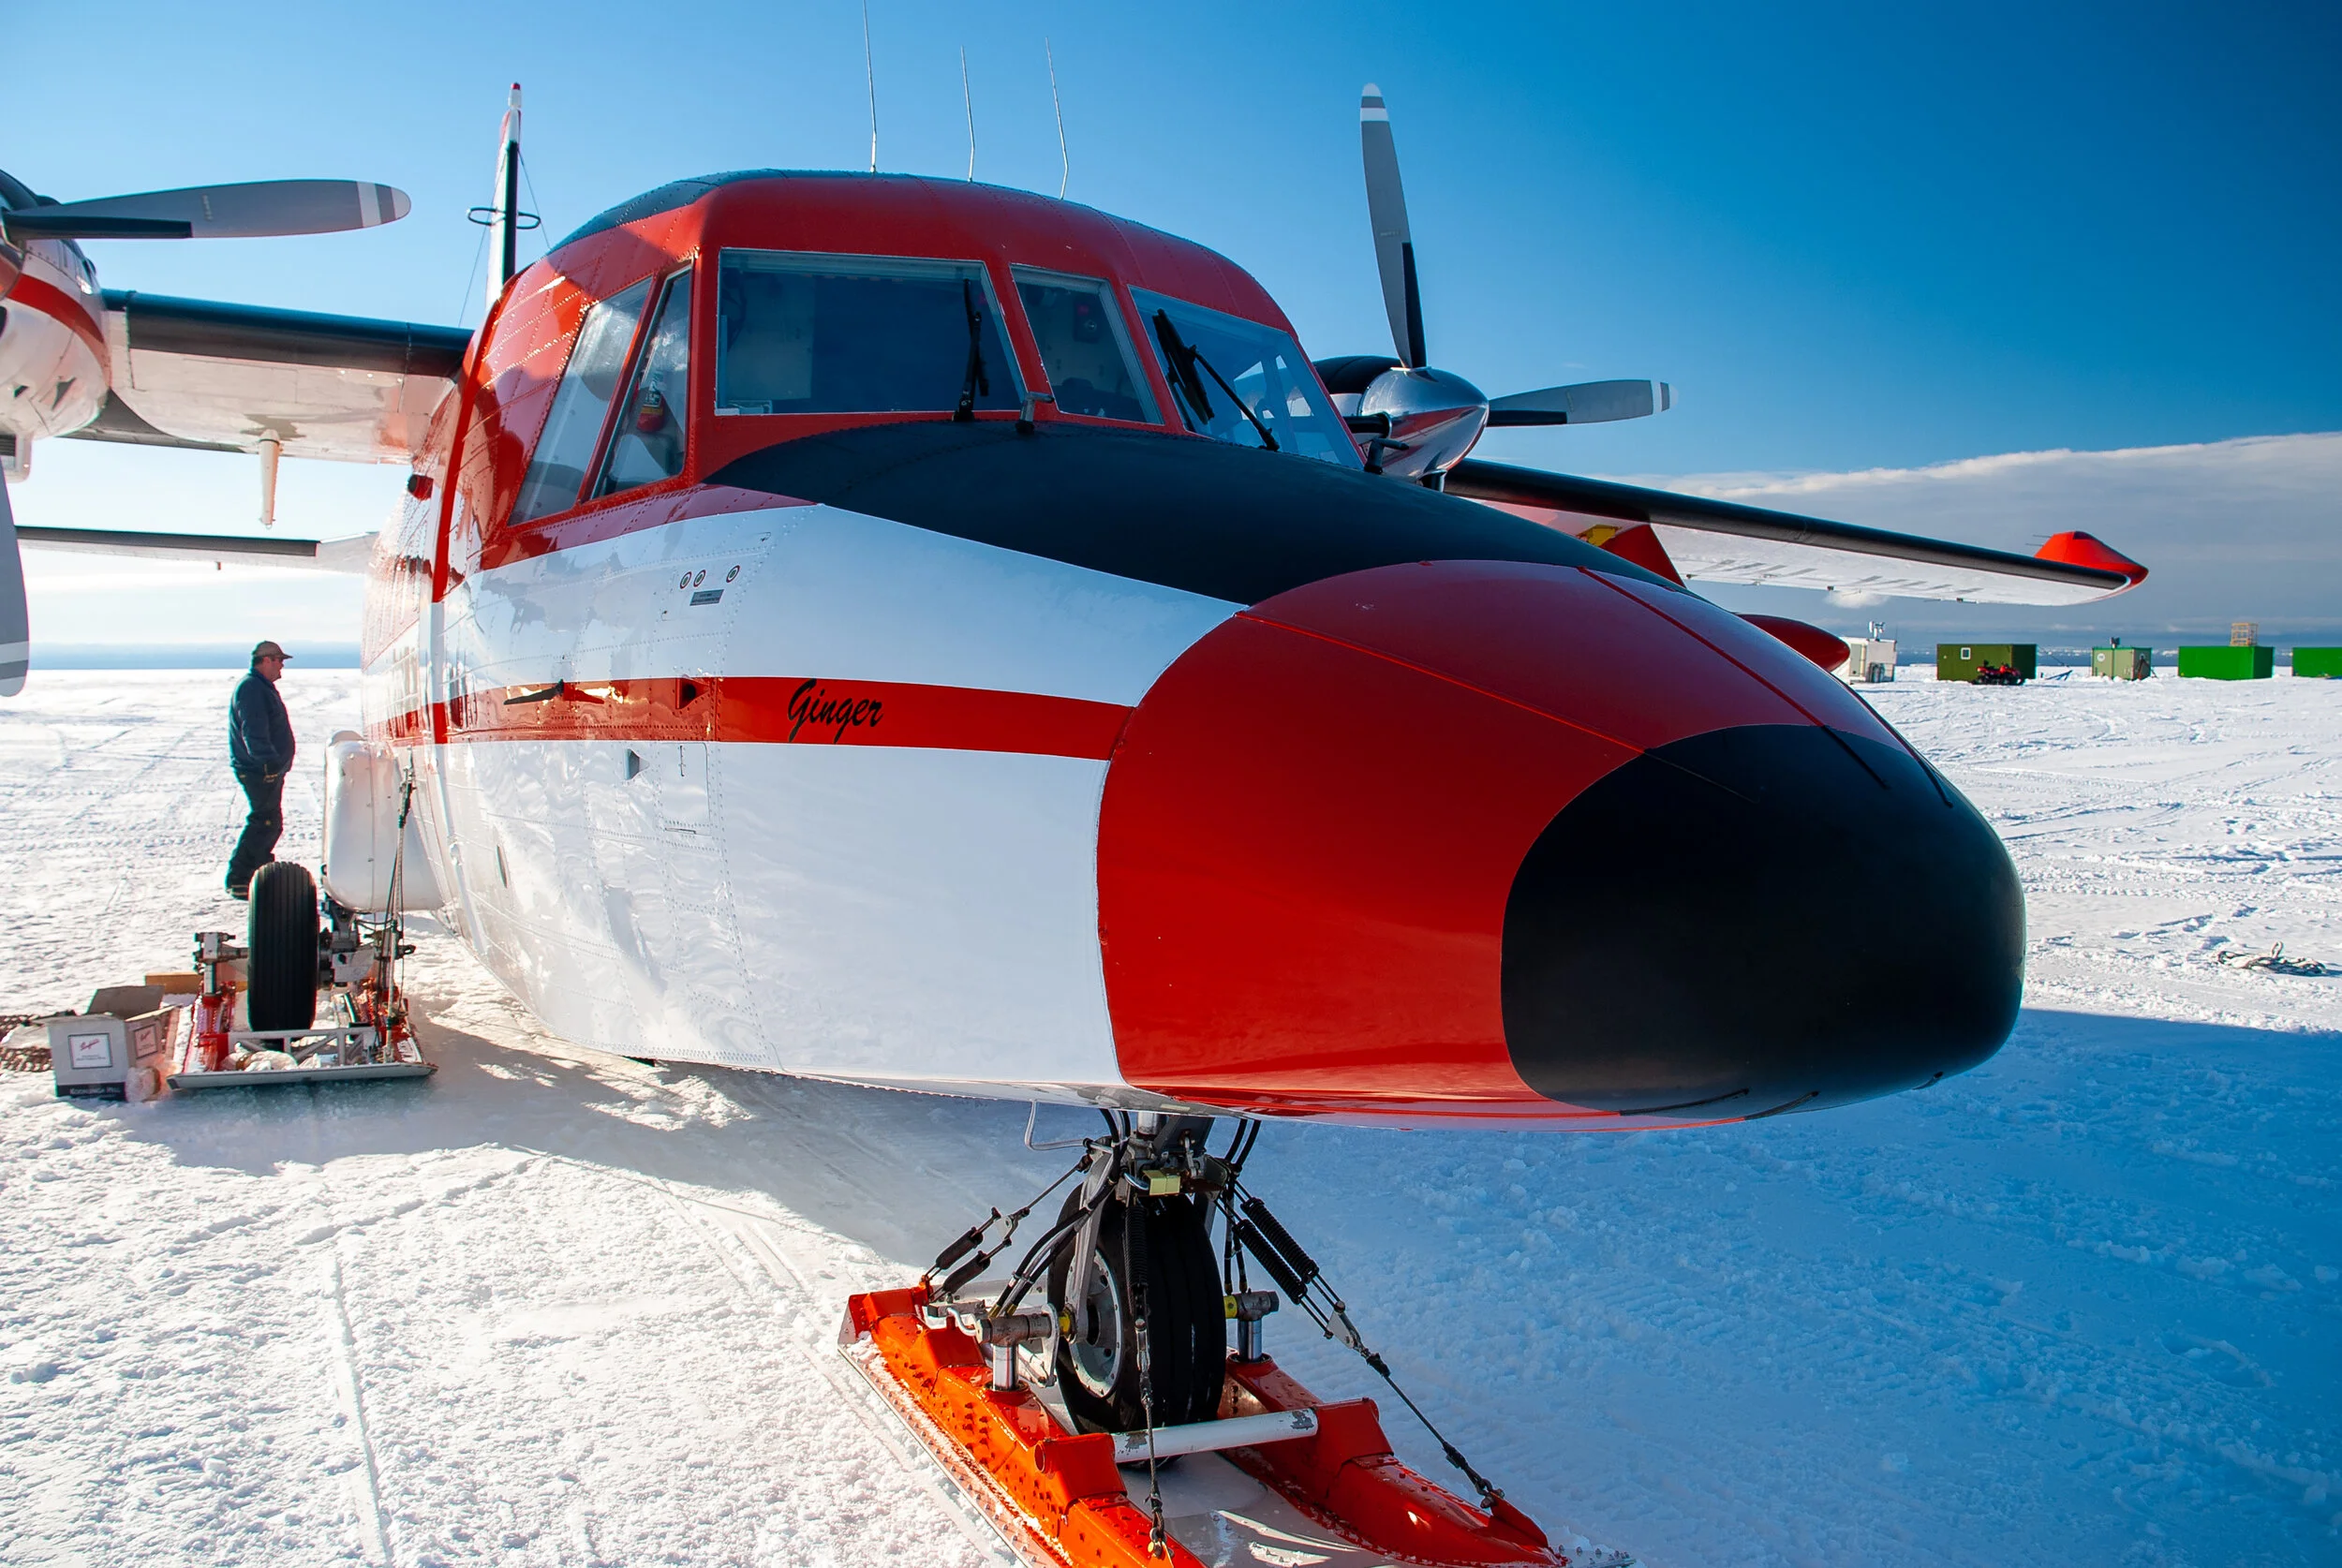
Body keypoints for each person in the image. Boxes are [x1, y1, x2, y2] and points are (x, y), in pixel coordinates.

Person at [226, 640, 295, 898]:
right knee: (265, 821)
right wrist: (266, 762)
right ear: (266, 660)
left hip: (264, 768)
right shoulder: (252, 688)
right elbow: (252, 729)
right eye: (279, 661)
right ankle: (241, 878)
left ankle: (256, 873)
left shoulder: (260, 687)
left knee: (269, 821)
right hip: (258, 769)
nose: (281, 667)